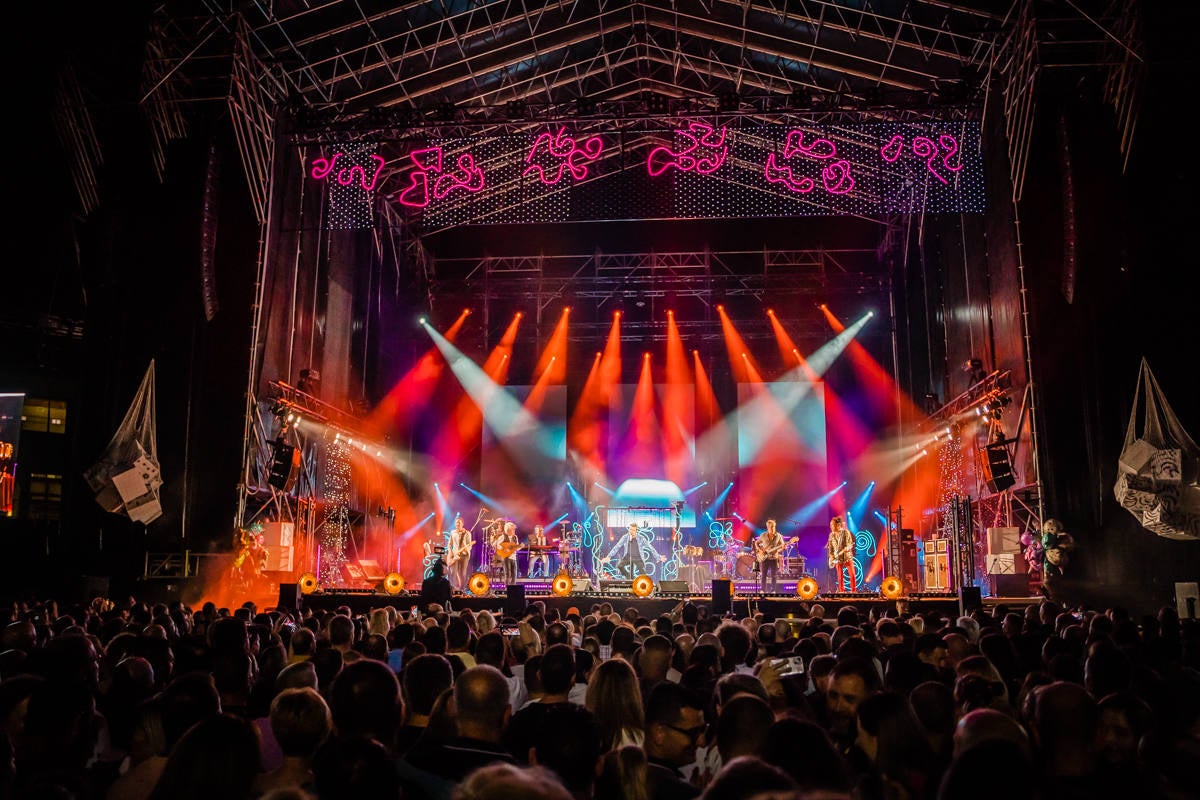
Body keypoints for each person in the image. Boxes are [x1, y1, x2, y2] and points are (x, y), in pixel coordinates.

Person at [825, 515, 857, 592]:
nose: (831, 526)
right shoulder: (831, 535)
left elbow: (849, 544)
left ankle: (853, 591)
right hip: (837, 559)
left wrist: (847, 549)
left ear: (838, 525)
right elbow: (831, 548)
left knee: (852, 575)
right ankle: (842, 591)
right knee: (840, 577)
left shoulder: (845, 532)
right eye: (830, 525)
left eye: (833, 525)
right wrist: (831, 556)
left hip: (847, 557)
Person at [754, 519, 786, 594]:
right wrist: (760, 550)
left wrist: (780, 549)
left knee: (774, 575)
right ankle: (762, 590)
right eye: (770, 526)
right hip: (765, 558)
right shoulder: (763, 535)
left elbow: (782, 546)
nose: (772, 528)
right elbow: (756, 543)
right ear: (767, 527)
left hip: (774, 558)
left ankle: (773, 590)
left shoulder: (779, 536)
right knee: (763, 575)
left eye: (773, 526)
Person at [446, 515, 474, 592]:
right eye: (456, 523)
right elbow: (449, 544)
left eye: (459, 522)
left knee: (462, 572)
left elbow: (469, 545)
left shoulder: (467, 533)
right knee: (453, 572)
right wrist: (450, 552)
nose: (457, 524)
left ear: (462, 524)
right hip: (455, 555)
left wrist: (466, 550)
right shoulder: (453, 532)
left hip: (464, 555)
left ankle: (462, 589)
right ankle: (453, 588)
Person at [494, 521, 521, 586]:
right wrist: (504, 548)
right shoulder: (503, 537)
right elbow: (496, 545)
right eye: (513, 529)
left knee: (514, 573)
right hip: (506, 557)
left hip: (513, 557)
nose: (514, 530)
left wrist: (520, 547)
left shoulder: (515, 537)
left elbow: (516, 548)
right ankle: (507, 588)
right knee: (507, 573)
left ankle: (513, 587)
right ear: (508, 530)